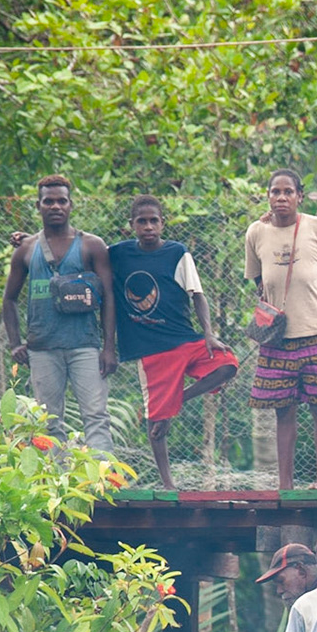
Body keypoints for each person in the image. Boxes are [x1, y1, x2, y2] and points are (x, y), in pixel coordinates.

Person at [107, 195, 237, 487]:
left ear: (163, 223)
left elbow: (198, 294)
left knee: (228, 364)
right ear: (132, 225)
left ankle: (179, 398)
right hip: (149, 349)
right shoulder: (117, 254)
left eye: (154, 220)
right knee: (156, 422)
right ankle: (168, 483)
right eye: (142, 221)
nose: (149, 226)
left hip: (183, 340)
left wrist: (208, 333)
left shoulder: (177, 253)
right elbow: (82, 251)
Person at [245, 169, 317, 488]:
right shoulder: (256, 232)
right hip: (277, 336)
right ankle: (285, 483)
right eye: (275, 192)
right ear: (267, 196)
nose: (281, 197)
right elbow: (257, 279)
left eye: (287, 191)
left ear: (299, 196)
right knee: (282, 408)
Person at [3, 175, 117, 453]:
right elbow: (9, 299)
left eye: (61, 201)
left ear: (71, 205)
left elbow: (109, 297)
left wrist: (109, 348)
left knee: (96, 417)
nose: (56, 206)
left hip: (85, 346)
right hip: (42, 349)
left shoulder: (91, 245)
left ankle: (104, 483)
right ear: (38, 206)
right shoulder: (26, 250)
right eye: (48, 201)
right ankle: (57, 487)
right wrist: (15, 342)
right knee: (48, 422)